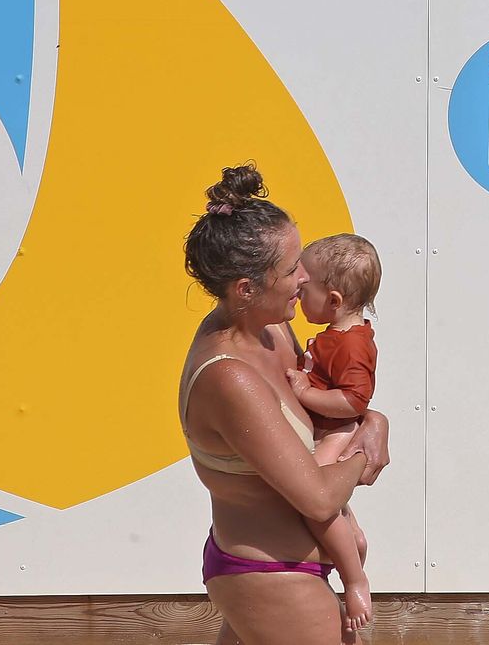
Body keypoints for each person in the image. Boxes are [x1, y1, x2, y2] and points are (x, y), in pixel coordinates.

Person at [180, 165, 391, 645]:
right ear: (246, 288)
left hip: (283, 565)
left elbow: (322, 412)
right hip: (268, 573)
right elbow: (316, 496)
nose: (304, 278)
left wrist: (373, 420)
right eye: (292, 268)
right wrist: (364, 451)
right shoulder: (229, 375)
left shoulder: (273, 328)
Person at [285, 234, 382, 633]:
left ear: (335, 300)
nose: (297, 292)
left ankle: (355, 580)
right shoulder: (337, 336)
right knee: (330, 509)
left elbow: (355, 401)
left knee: (316, 504)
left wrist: (305, 392)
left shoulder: (351, 345)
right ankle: (354, 539)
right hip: (328, 431)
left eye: (305, 289)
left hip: (337, 433)